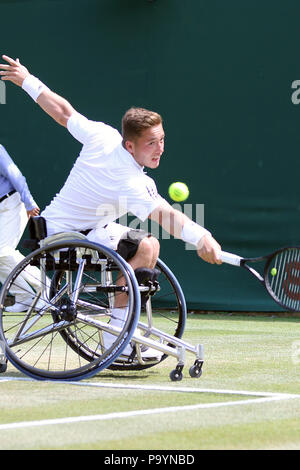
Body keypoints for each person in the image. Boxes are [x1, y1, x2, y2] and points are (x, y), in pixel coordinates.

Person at [0, 54, 222, 357]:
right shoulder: (131, 180)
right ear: (129, 144)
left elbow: (63, 112)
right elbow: (166, 215)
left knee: (148, 247)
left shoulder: (102, 134)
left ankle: (117, 334)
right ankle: (118, 337)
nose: (160, 149)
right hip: (62, 238)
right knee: (146, 246)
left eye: (162, 140)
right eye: (151, 143)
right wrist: (202, 237)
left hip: (74, 230)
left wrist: (26, 79)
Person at [0, 144, 41, 312]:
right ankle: (23, 296)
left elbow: (15, 175)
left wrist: (29, 202)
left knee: (2, 250)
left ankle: (47, 288)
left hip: (12, 203)